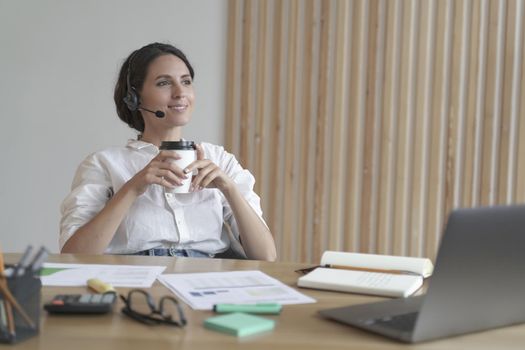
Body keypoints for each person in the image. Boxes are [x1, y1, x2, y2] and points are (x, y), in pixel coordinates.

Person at [59, 42, 277, 261]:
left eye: (186, 82)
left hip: (207, 277)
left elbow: (266, 256)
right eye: (164, 83)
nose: (180, 93)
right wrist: (133, 187)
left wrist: (228, 188)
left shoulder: (220, 159)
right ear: (134, 98)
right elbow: (74, 255)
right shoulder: (104, 163)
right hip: (136, 276)